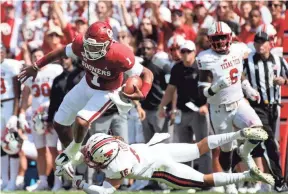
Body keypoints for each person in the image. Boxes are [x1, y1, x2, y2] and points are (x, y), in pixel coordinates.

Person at [18, 21, 153, 179]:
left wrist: (143, 93)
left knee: (82, 121)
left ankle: (74, 150)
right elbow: (60, 52)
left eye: (95, 47)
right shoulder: (81, 43)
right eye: (89, 45)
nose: (89, 50)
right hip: (86, 84)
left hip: (107, 91)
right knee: (59, 122)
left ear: (108, 44)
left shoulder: (120, 54)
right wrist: (35, 66)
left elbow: (147, 73)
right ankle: (72, 157)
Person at [70, 128, 272, 194]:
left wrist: (80, 183)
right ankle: (238, 134)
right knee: (198, 147)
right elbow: (92, 151)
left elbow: (105, 192)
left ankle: (247, 174)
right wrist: (71, 160)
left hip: (163, 169)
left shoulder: (115, 167)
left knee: (204, 181)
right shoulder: (116, 144)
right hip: (159, 150)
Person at [197, 21, 274, 193]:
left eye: (223, 37)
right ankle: (229, 182)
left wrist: (248, 88)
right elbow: (202, 92)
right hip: (219, 109)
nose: (220, 41)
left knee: (258, 129)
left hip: (239, 102)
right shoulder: (205, 57)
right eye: (216, 38)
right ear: (209, 39)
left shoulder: (238, 49)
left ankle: (244, 150)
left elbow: (240, 74)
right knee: (225, 149)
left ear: (230, 37)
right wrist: (217, 86)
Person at [238, 31, 288, 192]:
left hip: (274, 107)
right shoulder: (248, 60)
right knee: (269, 142)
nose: (260, 45)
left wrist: (284, 80)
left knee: (262, 144)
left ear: (270, 43)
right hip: (256, 107)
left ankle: (263, 181)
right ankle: (278, 180)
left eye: (263, 42)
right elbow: (238, 75)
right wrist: (246, 88)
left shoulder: (279, 61)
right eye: (257, 42)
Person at [158, 40, 212, 176]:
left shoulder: (202, 67)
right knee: (184, 149)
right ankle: (186, 180)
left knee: (203, 146)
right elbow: (171, 90)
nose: (186, 54)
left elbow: (211, 89)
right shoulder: (177, 68)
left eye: (189, 51)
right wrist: (161, 106)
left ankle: (206, 179)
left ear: (195, 53)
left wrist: (206, 106)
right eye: (183, 51)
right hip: (182, 111)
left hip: (199, 111)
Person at [18, 48, 63, 191]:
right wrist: (22, 113)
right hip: (36, 116)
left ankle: (58, 181)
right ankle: (42, 181)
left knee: (53, 148)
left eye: (39, 55)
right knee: (40, 150)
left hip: (50, 114)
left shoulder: (56, 69)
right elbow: (25, 95)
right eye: (34, 56)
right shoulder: (31, 74)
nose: (37, 58)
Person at [0, 44, 23, 191]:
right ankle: (4, 179)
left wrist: (15, 114)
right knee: (1, 144)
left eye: (1, 51)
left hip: (9, 104)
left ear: (4, 52)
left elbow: (17, 92)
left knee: (12, 143)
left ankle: (13, 180)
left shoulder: (10, 66)